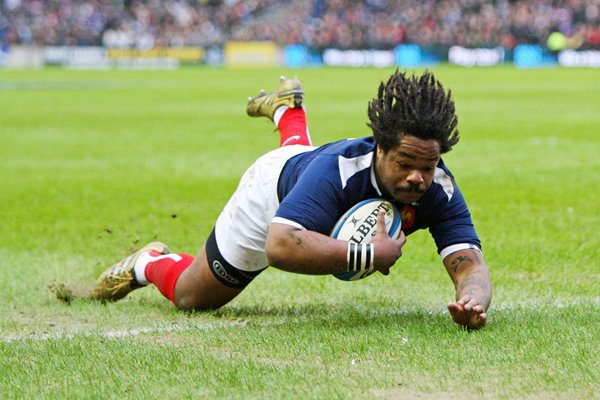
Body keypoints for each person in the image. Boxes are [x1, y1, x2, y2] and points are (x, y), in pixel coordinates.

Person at [89, 70, 492, 329]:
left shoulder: (438, 187)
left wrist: (473, 299)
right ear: (379, 149)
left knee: (301, 157)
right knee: (193, 298)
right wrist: (368, 255)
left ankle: (288, 113)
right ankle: (148, 262)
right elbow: (279, 246)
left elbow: (469, 263)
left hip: (303, 171)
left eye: (429, 163)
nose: (417, 177)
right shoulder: (338, 170)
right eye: (405, 163)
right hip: (270, 196)